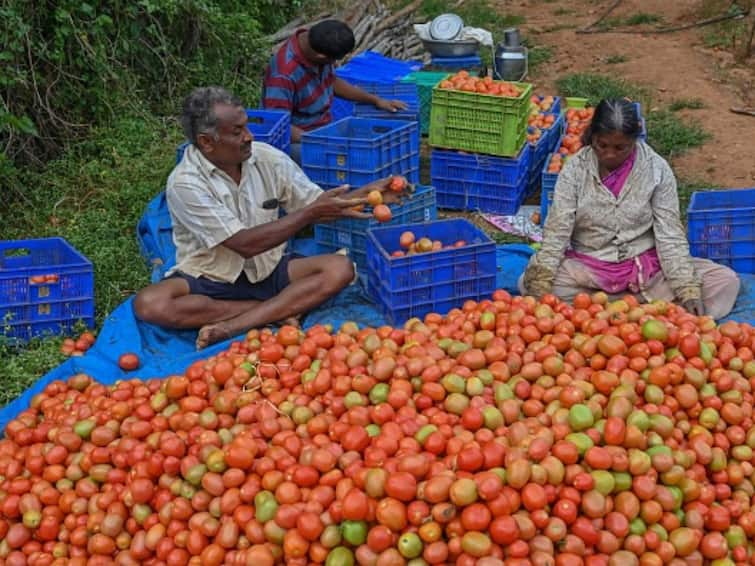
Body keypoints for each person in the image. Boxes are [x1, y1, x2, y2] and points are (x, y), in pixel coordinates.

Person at [134, 86, 405, 349]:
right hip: (211, 277)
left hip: (268, 269)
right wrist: (308, 214)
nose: (249, 137)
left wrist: (368, 193)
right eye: (237, 132)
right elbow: (244, 244)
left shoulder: (265, 158)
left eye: (247, 127)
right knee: (150, 304)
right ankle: (275, 310)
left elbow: (317, 205)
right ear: (207, 142)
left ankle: (234, 325)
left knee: (340, 269)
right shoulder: (185, 183)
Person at [521, 98, 740, 319]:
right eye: (602, 145)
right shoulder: (575, 170)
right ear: (592, 137)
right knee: (528, 283)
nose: (609, 154)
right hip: (591, 269)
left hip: (647, 270)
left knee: (724, 281)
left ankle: (611, 312)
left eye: (620, 148)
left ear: (634, 141)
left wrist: (687, 289)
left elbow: (670, 234)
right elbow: (558, 229)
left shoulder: (656, 169)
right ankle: (644, 312)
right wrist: (542, 280)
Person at [262, 19, 408, 163]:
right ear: (321, 57)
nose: (335, 65)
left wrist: (376, 100)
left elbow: (332, 81)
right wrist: (318, 141)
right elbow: (278, 124)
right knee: (345, 161)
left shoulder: (316, 41)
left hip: (323, 130)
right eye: (333, 61)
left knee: (368, 150)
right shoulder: (283, 74)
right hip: (296, 141)